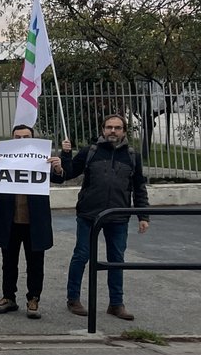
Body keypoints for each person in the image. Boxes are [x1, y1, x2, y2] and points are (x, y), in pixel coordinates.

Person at [61, 114, 150, 320]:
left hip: (118, 216)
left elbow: (139, 187)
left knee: (116, 260)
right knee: (82, 255)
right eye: (109, 127)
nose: (113, 131)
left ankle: (116, 304)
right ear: (102, 129)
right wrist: (66, 154)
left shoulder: (132, 156)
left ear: (124, 131)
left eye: (117, 128)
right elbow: (68, 173)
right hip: (88, 215)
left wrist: (143, 215)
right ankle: (73, 298)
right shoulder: (90, 152)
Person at [0, 124, 65, 319]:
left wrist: (58, 168)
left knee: (36, 262)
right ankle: (8, 297)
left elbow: (59, 177)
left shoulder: (42, 157)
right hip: (9, 219)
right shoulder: (4, 157)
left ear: (32, 138)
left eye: (26, 137)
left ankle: (33, 298)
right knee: (9, 262)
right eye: (17, 137)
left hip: (35, 220)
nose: (21, 140)